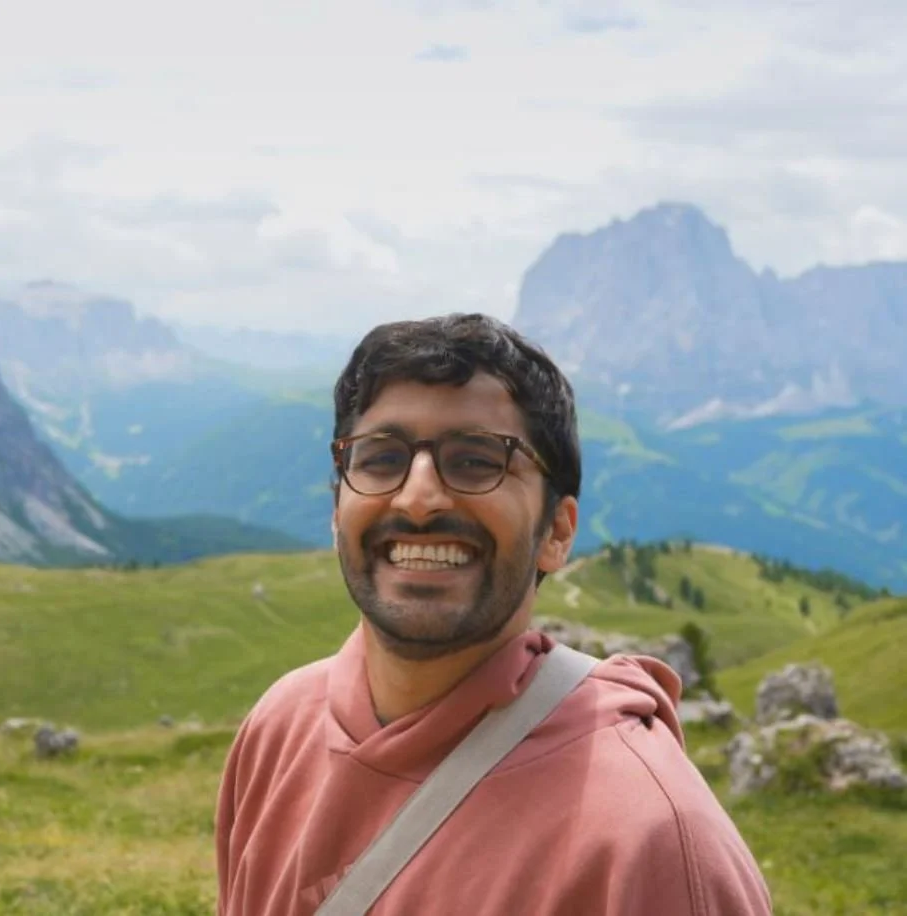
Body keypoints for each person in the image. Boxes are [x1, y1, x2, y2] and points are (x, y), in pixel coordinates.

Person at [215, 313, 772, 915]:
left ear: (557, 532)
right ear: (336, 511)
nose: (418, 497)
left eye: (477, 460)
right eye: (381, 458)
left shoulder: (652, 840)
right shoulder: (279, 728)